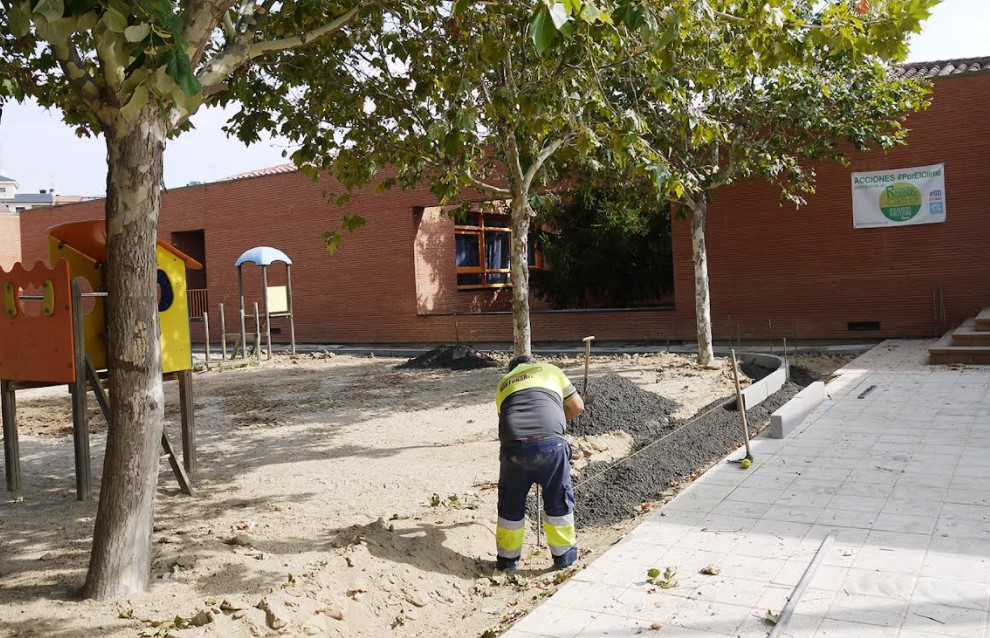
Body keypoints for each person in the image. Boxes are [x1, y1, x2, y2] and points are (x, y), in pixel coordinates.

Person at [494, 355, 585, 571]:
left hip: (513, 449)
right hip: (551, 446)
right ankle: (564, 558)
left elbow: (506, 416)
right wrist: (556, 421)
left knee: (511, 504)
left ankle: (507, 562)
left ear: (512, 369)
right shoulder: (551, 370)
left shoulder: (503, 383)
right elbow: (577, 406)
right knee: (557, 497)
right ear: (533, 362)